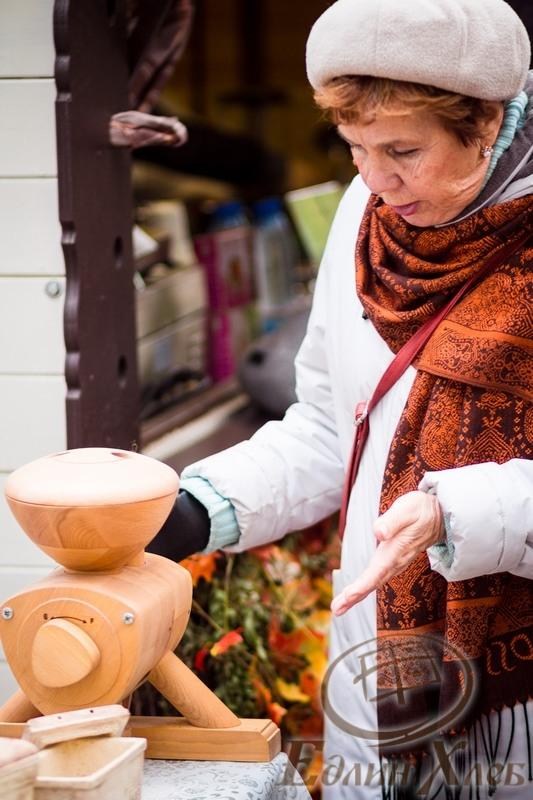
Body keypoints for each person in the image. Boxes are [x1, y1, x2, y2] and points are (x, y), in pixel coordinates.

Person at [148, 0, 533, 796]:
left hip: (513, 692)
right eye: (353, 146)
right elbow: (332, 427)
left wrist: (457, 512)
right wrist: (194, 512)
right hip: (380, 656)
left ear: (486, 120)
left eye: (402, 150)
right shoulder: (368, 216)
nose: (373, 179)